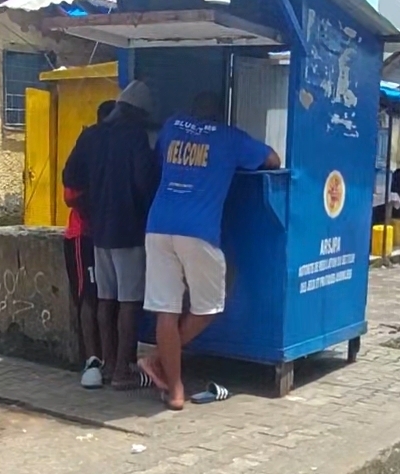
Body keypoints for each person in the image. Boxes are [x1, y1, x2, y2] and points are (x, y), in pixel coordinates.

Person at [140, 91, 280, 410]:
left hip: (158, 225)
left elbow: (160, 156)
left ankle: (175, 391)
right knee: (208, 308)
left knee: (167, 309)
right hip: (198, 231)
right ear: (221, 114)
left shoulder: (173, 126)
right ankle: (159, 359)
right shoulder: (230, 138)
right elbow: (273, 159)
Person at [74, 80, 158, 389]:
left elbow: (70, 176)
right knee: (129, 302)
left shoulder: (91, 135)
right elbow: (144, 182)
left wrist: (92, 205)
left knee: (105, 298)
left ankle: (108, 365)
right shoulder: (135, 137)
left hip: (98, 231)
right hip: (129, 230)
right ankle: (123, 370)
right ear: (136, 114)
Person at [60, 99, 115, 389]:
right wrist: (92, 210)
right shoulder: (88, 147)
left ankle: (110, 358)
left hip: (108, 233)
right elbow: (69, 192)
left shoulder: (111, 150)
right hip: (84, 234)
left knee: (108, 297)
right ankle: (91, 358)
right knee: (88, 297)